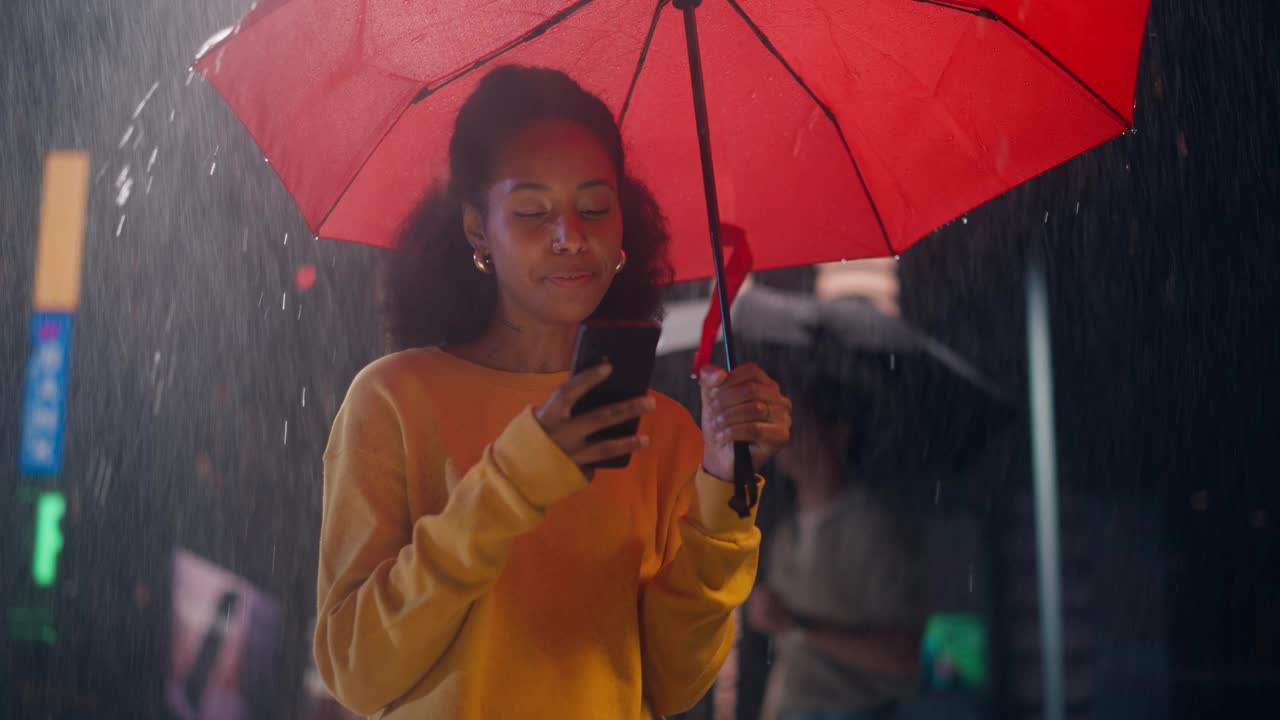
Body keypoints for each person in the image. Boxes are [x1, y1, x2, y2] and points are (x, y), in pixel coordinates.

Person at [313, 65, 792, 720]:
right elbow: (358, 673)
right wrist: (515, 478)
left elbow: (673, 685)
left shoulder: (669, 431)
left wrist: (724, 489)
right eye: (534, 211)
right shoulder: (394, 400)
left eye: (595, 207)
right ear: (478, 230)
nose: (572, 235)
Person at [746, 374, 926, 720]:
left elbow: (907, 654)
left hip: (856, 710)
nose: (786, 438)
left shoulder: (877, 528)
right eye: (783, 426)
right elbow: (788, 657)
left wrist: (798, 624)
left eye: (800, 425)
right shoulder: (783, 537)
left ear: (838, 434)